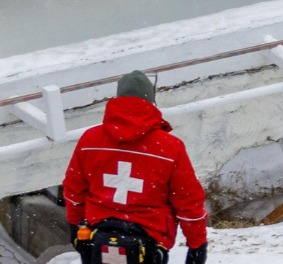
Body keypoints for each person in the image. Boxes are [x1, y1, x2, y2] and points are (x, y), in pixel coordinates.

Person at [63, 71, 208, 264]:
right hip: (149, 242)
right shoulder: (169, 147)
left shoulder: (90, 140)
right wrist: (197, 245)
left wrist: (76, 227)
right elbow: (188, 201)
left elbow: (74, 191)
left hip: (98, 238)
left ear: (117, 98)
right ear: (151, 100)